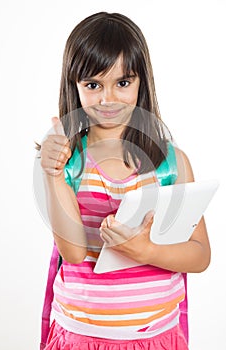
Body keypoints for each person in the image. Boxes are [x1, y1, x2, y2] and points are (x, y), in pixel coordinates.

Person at [38, 11, 211, 350]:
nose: (108, 99)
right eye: (93, 85)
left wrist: (144, 250)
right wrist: (54, 174)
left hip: (157, 337)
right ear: (74, 86)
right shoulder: (68, 161)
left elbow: (200, 255)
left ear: (141, 81)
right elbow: (72, 253)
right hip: (81, 337)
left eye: (122, 82)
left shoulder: (170, 163)